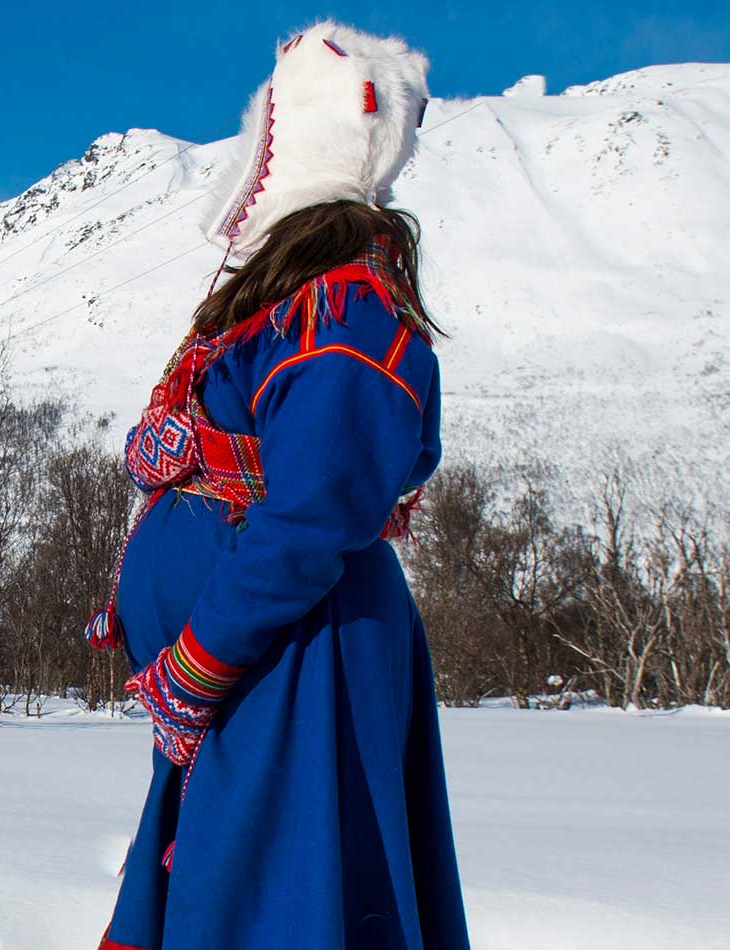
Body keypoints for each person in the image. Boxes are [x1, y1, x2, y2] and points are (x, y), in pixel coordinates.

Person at [84, 21, 472, 950]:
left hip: (300, 655)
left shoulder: (345, 311)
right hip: (268, 656)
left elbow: (309, 520)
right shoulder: (293, 302)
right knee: (234, 888)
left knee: (279, 903)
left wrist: (195, 662)